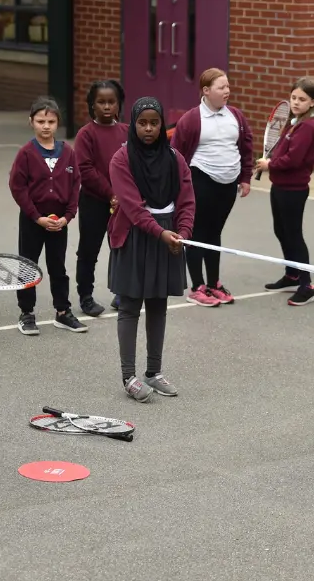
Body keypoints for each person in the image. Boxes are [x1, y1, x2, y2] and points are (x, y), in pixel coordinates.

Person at [107, 97, 195, 402]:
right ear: (133, 124)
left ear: (161, 125)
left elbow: (186, 201)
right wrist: (161, 233)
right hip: (136, 235)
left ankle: (153, 372)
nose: (148, 129)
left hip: (168, 235)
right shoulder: (121, 159)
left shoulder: (175, 159)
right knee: (130, 306)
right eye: (142, 123)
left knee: (158, 304)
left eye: (154, 123)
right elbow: (131, 207)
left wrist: (182, 234)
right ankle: (128, 376)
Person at [171, 68, 254, 307]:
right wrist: (179, 187)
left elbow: (246, 148)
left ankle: (214, 283)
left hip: (228, 185)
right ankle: (197, 286)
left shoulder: (236, 117)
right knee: (198, 234)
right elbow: (176, 154)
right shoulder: (191, 119)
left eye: (228, 86)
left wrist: (245, 178)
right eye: (221, 87)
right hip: (200, 180)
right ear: (206, 91)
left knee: (214, 233)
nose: (227, 91)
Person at [9, 97, 86, 335]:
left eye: (51, 121)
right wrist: (36, 216)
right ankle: (26, 313)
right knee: (28, 266)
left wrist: (67, 217)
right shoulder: (26, 153)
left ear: (57, 123)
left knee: (58, 268)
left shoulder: (68, 152)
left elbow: (75, 186)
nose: (46, 126)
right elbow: (17, 187)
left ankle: (63, 312)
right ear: (31, 122)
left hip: (58, 222)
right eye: (40, 121)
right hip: (33, 220)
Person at [255, 77, 314, 306]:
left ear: (312, 102)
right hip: (280, 186)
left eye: (302, 99)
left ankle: (307, 286)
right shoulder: (293, 123)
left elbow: (294, 159)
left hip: (294, 190)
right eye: (293, 97)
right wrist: (271, 160)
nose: (296, 102)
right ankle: (292, 274)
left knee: (294, 235)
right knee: (281, 231)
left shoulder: (308, 127)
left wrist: (269, 165)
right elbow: (283, 151)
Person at [74, 79, 128, 317]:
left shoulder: (127, 131)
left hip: (123, 203)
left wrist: (125, 194)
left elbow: (133, 165)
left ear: (119, 104)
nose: (107, 107)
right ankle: (86, 296)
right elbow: (85, 170)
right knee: (89, 250)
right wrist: (110, 193)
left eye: (111, 102)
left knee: (122, 248)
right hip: (94, 201)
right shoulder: (86, 135)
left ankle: (122, 292)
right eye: (101, 102)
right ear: (92, 105)